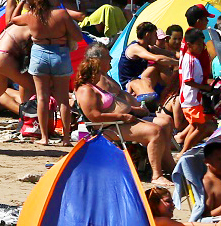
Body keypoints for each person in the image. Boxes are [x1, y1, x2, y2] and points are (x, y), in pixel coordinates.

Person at [72, 54, 174, 182]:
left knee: (159, 128)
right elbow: (94, 116)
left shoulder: (93, 87)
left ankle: (170, 169)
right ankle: (157, 175)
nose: (101, 75)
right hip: (107, 127)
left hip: (117, 123)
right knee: (155, 132)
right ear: (93, 73)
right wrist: (122, 116)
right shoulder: (86, 90)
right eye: (99, 72)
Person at [15, 0, 79, 146]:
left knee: (42, 98)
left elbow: (12, 19)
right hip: (60, 53)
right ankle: (65, 138)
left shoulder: (31, 16)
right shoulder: (61, 14)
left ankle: (44, 137)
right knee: (63, 99)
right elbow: (78, 36)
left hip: (39, 52)